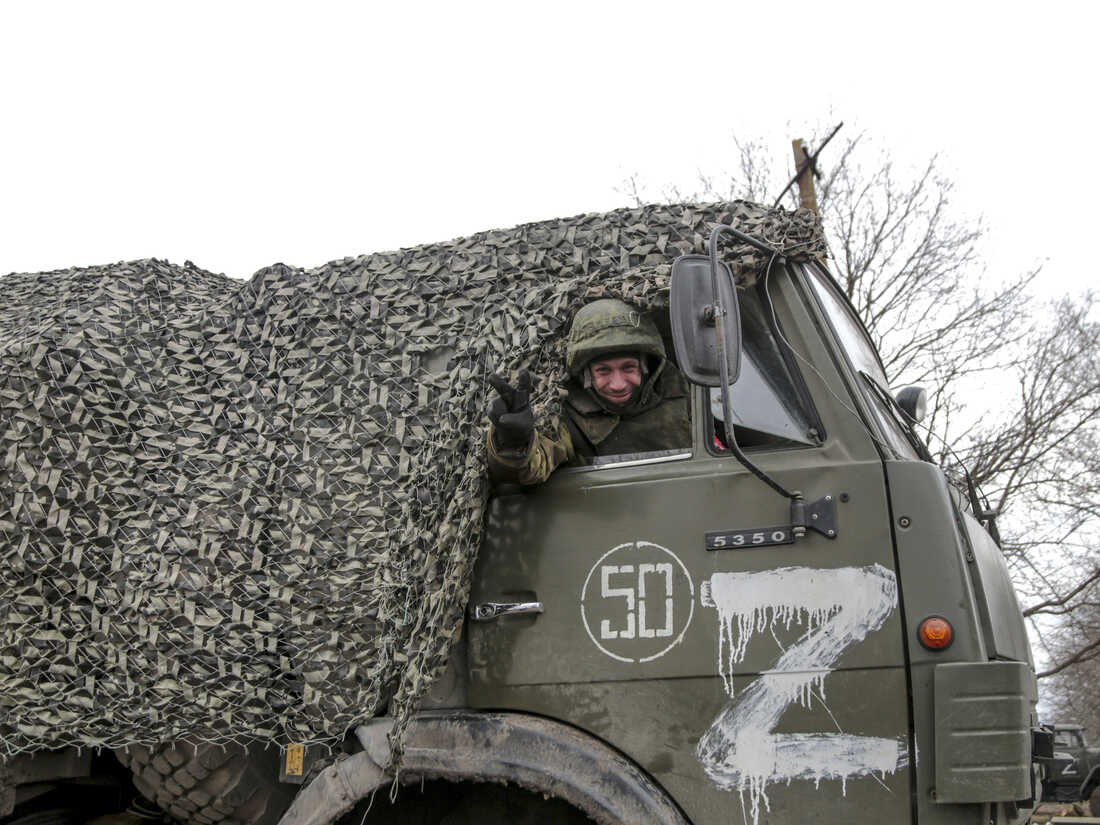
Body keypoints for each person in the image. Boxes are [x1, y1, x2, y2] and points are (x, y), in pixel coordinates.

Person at [487, 298, 690, 485]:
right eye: (603, 371)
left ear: (646, 368)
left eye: (628, 368)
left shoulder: (685, 393)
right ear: (586, 375)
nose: (618, 384)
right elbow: (535, 465)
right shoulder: (568, 418)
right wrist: (514, 443)